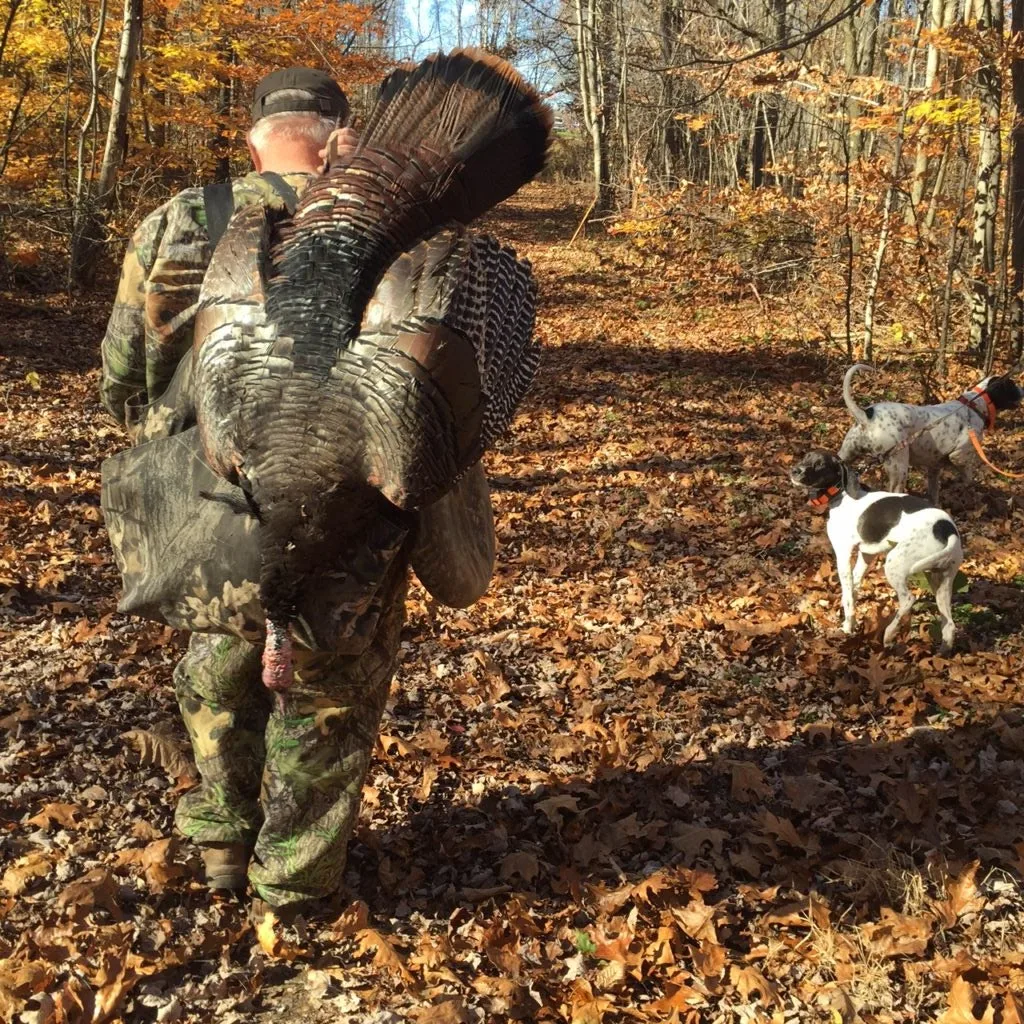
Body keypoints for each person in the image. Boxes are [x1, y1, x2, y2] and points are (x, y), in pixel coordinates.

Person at [98, 69, 469, 921]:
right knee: (330, 691)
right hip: (353, 508)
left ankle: (224, 838)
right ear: (341, 133)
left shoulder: (182, 219)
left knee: (219, 666)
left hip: (200, 500)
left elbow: (123, 382)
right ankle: (295, 892)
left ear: (253, 134)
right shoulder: (394, 227)